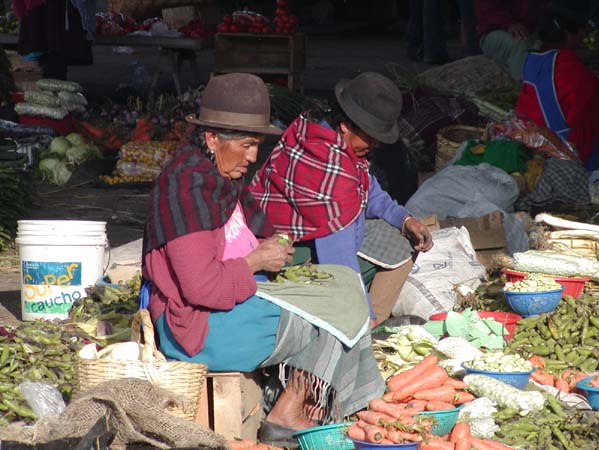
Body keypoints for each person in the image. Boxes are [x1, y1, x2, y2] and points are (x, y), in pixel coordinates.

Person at [142, 73, 384, 448]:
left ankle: (295, 403)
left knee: (344, 286)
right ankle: (289, 411)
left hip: (231, 305)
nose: (254, 156)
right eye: (247, 145)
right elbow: (200, 287)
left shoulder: (219, 178)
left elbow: (256, 228)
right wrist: (255, 260)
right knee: (329, 319)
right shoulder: (188, 188)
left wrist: (273, 249)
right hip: (196, 329)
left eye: (256, 145)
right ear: (211, 139)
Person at [249, 72, 434, 327]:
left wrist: (405, 219)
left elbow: (371, 191)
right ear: (346, 125)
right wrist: (363, 315)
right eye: (369, 137)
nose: (375, 145)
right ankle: (364, 329)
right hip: (289, 256)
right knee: (353, 305)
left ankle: (369, 324)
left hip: (332, 240)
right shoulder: (326, 170)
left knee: (403, 240)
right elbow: (339, 261)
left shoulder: (335, 142)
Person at [515, 7, 599, 169]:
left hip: (531, 145)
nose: (582, 39)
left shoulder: (532, 60)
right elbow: (588, 119)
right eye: (580, 33)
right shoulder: (568, 65)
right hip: (568, 155)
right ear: (568, 34)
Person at [474, 0, 546, 80]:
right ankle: (527, 87)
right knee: (519, 42)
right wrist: (509, 24)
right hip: (493, 31)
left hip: (529, 30)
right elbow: (487, 12)